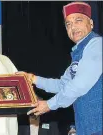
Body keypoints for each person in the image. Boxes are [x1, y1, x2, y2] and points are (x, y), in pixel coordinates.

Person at [23, 2, 102, 135]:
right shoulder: (78, 53)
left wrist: (49, 104)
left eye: (78, 20)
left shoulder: (97, 44)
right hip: (86, 127)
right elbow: (63, 85)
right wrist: (33, 78)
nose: (73, 27)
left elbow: (79, 85)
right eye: (68, 24)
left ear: (91, 23)